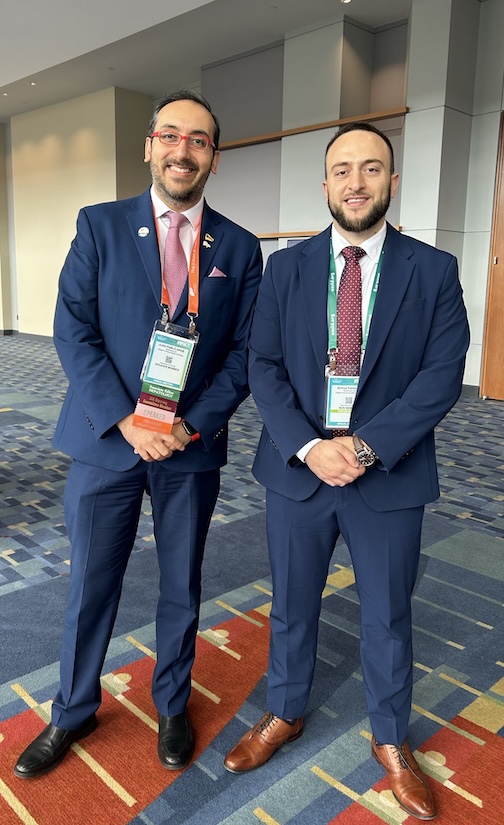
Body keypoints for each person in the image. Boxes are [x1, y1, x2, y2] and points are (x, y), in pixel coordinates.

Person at [223, 122, 469, 821]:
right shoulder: (286, 269)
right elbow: (262, 368)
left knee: (388, 614)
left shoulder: (433, 270)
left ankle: (391, 737)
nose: (355, 182)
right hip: (298, 471)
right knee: (292, 603)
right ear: (324, 183)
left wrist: (361, 448)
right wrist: (308, 445)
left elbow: (440, 378)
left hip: (386, 474)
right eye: (341, 170)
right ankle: (285, 710)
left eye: (370, 169)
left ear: (392, 183)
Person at [14, 90, 262, 779]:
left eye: (200, 140)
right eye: (172, 136)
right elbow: (74, 328)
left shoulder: (239, 247)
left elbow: (244, 353)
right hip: (106, 439)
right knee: (91, 581)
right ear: (150, 146)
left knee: (182, 581)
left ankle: (173, 703)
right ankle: (71, 708)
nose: (184, 151)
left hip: (189, 447)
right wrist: (128, 420)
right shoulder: (99, 226)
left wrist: (188, 424)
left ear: (214, 155)